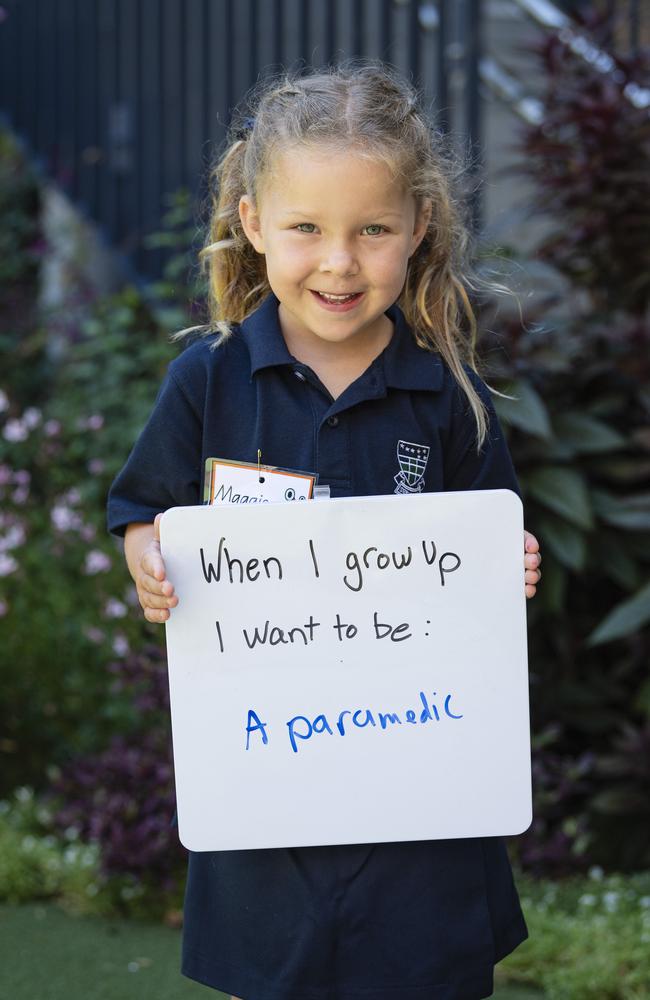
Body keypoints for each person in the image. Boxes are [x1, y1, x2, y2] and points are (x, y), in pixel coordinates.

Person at [108, 64, 542, 1000]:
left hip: (423, 815)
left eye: (372, 230)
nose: (339, 263)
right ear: (253, 220)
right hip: (268, 803)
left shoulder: (448, 399)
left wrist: (511, 568)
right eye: (306, 228)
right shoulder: (208, 384)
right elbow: (143, 513)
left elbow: (492, 553)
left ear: (417, 228)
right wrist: (147, 561)